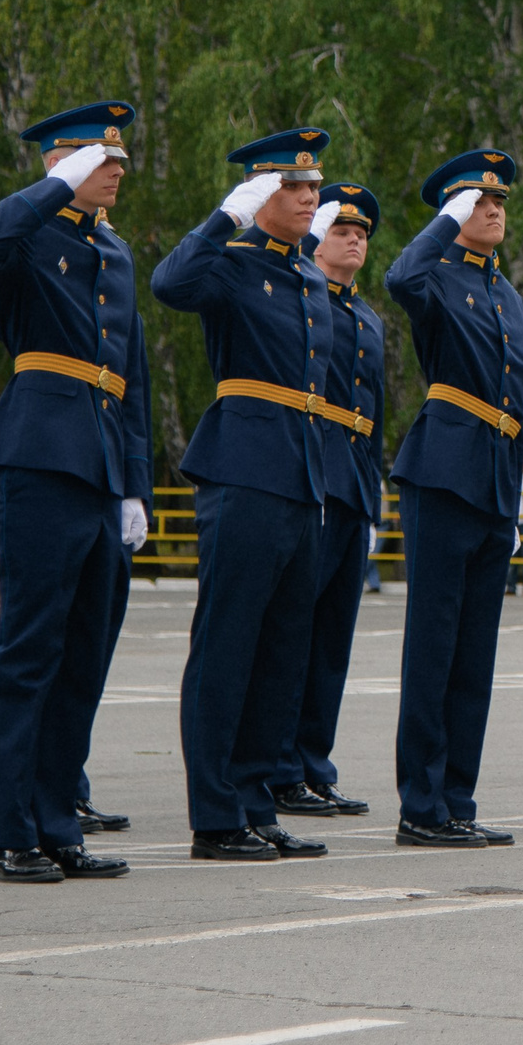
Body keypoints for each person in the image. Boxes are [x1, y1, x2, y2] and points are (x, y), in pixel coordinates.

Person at [0, 101, 152, 882]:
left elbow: (129, 374)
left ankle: (56, 825)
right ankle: (10, 834)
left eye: (117, 158)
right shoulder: (31, 232)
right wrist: (53, 186)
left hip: (102, 461)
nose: (114, 168)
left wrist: (135, 484)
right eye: (94, 158)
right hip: (40, 455)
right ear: (58, 165)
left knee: (83, 655)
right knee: (31, 650)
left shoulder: (112, 252)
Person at [151, 127, 337, 864]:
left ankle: (258, 802)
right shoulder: (227, 264)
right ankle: (216, 813)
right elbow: (168, 287)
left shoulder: (309, 275)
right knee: (228, 644)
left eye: (313, 187)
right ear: (262, 193)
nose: (310, 198)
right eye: (295, 187)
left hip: (301, 471)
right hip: (244, 465)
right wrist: (221, 218)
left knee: (283, 650)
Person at [381, 152, 523, 847]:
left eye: (499, 202)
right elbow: (398, 276)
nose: (494, 210)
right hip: (443, 470)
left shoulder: (509, 295)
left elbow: (515, 399)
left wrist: (513, 499)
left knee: (476, 652)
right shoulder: (434, 275)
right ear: (449, 213)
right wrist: (444, 220)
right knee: (434, 646)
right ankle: (420, 804)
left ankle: (457, 800)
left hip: (494, 477)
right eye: (478, 202)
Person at [272, 183, 388, 821]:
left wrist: (371, 498)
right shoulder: (301, 299)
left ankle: (314, 764)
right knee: (295, 629)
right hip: (311, 473)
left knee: (332, 640)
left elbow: (375, 413)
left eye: (362, 232)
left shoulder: (366, 314)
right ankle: (281, 767)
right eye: (343, 229)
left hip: (352, 482)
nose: (355, 239)